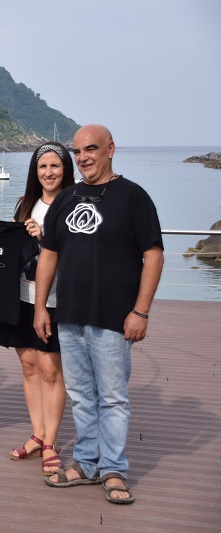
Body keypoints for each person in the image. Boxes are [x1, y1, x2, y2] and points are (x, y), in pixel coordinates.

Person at [34, 125, 164, 504]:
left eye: (91, 149)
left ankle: (114, 469)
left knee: (112, 396)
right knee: (80, 394)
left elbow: (153, 255)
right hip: (69, 314)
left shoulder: (133, 197)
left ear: (110, 149)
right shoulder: (67, 198)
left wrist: (141, 311)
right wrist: (42, 306)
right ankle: (87, 463)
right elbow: (49, 255)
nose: (83, 157)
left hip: (113, 316)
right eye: (77, 151)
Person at [0, 142, 75, 473]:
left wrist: (44, 238)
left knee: (50, 369)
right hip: (22, 297)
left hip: (57, 300)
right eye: (42, 167)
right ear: (35, 172)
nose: (49, 172)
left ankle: (52, 441)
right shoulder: (24, 205)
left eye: (55, 166)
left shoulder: (75, 206)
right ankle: (38, 434)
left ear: (65, 169)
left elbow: (78, 255)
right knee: (29, 366)